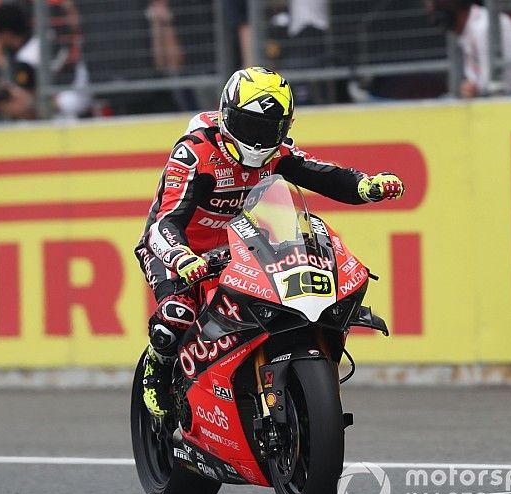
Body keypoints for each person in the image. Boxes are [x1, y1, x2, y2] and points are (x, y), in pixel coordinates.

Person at [134, 67, 405, 418]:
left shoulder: (279, 152)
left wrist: (365, 186)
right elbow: (165, 221)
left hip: (240, 247)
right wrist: (180, 256)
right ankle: (156, 369)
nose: (259, 140)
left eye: (270, 130)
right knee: (176, 316)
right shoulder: (194, 153)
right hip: (176, 248)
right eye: (250, 126)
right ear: (227, 115)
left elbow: (326, 176)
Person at [0, 1, 90, 120]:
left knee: (14, 102)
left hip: (67, 109)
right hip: (82, 90)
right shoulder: (45, 35)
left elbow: (26, 103)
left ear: (6, 34)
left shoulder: (26, 58)